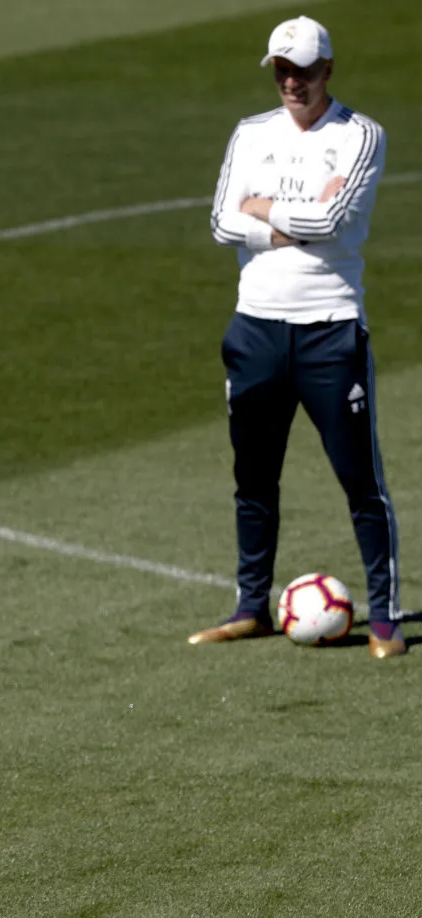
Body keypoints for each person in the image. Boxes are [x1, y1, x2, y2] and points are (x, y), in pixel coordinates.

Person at [188, 15, 404, 658]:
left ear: (327, 70)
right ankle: (251, 608)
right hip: (255, 329)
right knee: (254, 479)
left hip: (330, 332)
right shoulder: (251, 133)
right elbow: (221, 222)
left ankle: (385, 618)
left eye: (303, 70)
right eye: (281, 70)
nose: (291, 82)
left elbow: (333, 221)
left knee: (360, 481)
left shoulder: (360, 135)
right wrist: (291, 221)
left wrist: (260, 209)